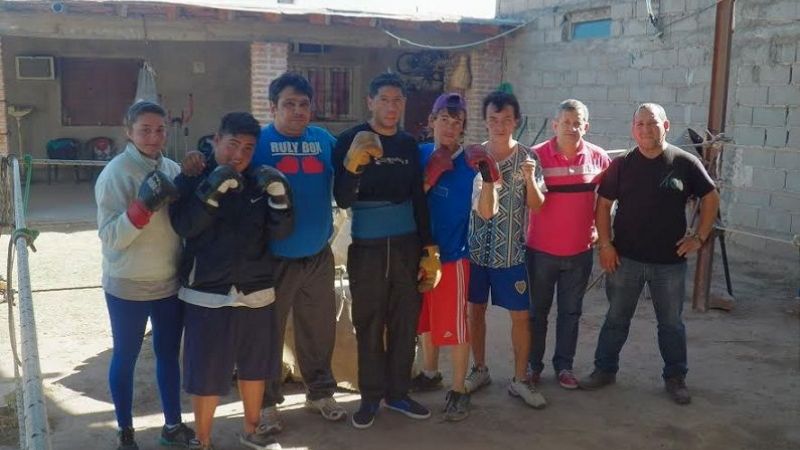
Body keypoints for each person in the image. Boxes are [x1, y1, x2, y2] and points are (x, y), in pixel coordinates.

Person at [579, 103, 720, 405]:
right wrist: (605, 245)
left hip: (669, 264)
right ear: (633, 129)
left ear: (665, 126)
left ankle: (675, 377)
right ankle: (604, 370)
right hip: (625, 259)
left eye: (652, 123)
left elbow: (710, 197)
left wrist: (700, 236)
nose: (645, 129)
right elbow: (602, 205)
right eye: (640, 124)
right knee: (616, 318)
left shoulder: (684, 162)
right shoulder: (622, 165)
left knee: (671, 324)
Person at [169, 112, 293, 450]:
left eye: (248, 148)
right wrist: (209, 192)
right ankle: (203, 440)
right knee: (206, 371)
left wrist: (281, 198)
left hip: (256, 289)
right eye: (232, 145)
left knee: (255, 368)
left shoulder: (259, 180)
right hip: (206, 291)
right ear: (215, 141)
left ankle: (251, 431)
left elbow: (281, 233)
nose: (238, 155)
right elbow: (184, 227)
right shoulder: (192, 176)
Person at [333, 73, 439, 429]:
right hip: (368, 246)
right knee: (368, 322)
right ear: (370, 101)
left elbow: (418, 197)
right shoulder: (349, 139)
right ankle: (370, 398)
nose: (392, 107)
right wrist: (352, 166)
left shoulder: (409, 144)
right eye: (385, 99)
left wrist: (429, 248)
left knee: (404, 322)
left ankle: (398, 393)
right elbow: (342, 198)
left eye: (398, 101)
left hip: (408, 243)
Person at [95, 100, 198, 450]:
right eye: (145, 130)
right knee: (126, 354)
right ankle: (125, 431)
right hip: (127, 284)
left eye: (160, 129)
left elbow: (183, 225)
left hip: (168, 281)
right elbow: (110, 236)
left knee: (169, 354)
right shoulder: (115, 173)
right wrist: (141, 209)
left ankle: (172, 425)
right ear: (129, 131)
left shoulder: (170, 168)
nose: (154, 137)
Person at [251, 72, 346, 433]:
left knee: (319, 329)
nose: (297, 111)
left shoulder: (323, 140)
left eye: (303, 104)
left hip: (318, 255)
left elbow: (351, 174)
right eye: (288, 104)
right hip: (273, 257)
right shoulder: (258, 142)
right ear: (272, 107)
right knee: (268, 334)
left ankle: (320, 393)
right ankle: (266, 404)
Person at [412, 92, 500, 421]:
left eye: (457, 121)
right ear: (433, 121)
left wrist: (490, 178)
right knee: (425, 320)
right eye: (445, 119)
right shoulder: (419, 155)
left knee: (455, 326)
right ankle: (430, 372)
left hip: (452, 257)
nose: (451, 127)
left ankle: (459, 389)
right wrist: (427, 178)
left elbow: (488, 212)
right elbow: (407, 201)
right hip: (418, 255)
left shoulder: (470, 164)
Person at [465, 90, 548, 409]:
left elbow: (537, 205)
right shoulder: (472, 156)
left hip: (511, 252)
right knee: (475, 312)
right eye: (493, 119)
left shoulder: (529, 157)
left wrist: (529, 178)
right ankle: (480, 369)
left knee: (520, 317)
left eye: (506, 120)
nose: (499, 125)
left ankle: (519, 379)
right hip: (475, 250)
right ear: (485, 121)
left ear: (517, 121)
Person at [526, 99, 610, 389]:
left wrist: (601, 231)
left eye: (578, 123)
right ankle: (532, 366)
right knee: (537, 313)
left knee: (571, 314)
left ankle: (564, 367)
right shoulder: (535, 157)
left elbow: (607, 201)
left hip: (579, 253)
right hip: (540, 252)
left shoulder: (599, 159)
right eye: (566, 122)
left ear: (586, 126)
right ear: (555, 125)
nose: (572, 128)